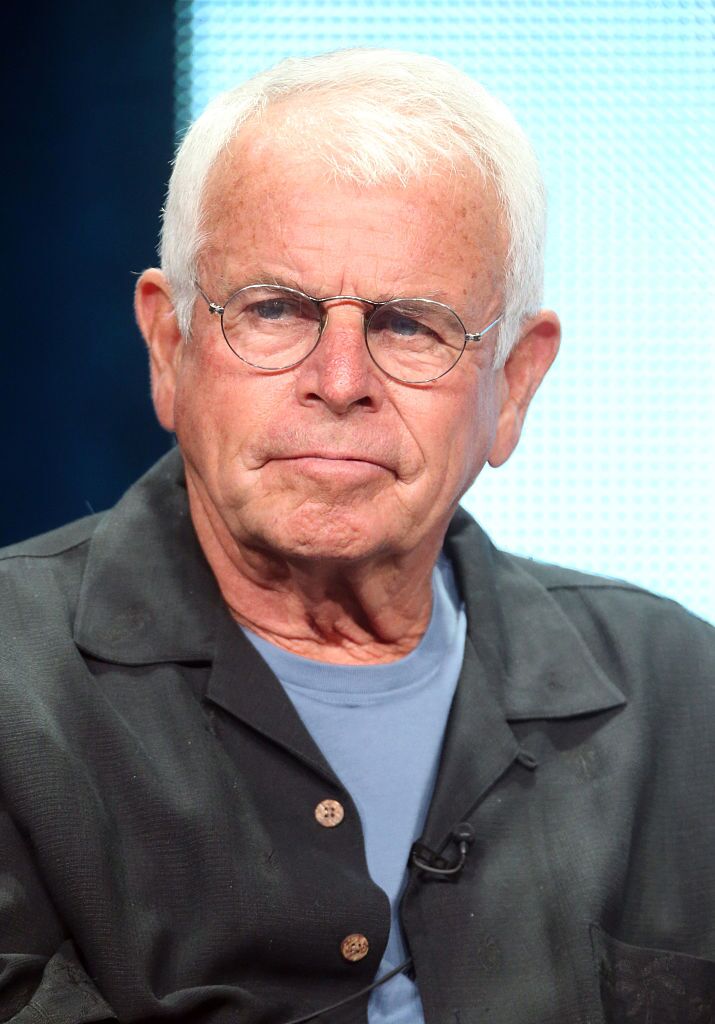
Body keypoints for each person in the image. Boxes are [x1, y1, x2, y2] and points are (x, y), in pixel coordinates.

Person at [1, 48, 713, 1024]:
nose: (340, 381)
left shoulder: (679, 689)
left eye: (412, 325)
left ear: (512, 385)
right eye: (274, 309)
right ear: (170, 349)